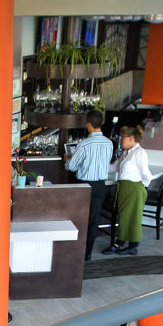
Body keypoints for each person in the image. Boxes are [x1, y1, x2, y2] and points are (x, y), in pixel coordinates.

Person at [64, 110, 113, 261]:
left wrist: (67, 158)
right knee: (94, 218)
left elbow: (71, 167)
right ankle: (87, 254)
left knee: (80, 218)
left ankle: (77, 251)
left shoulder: (84, 144)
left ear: (89, 125)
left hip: (85, 185)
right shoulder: (109, 143)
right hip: (100, 185)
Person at [102, 126, 152, 256]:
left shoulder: (139, 153)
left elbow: (147, 175)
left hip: (134, 188)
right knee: (124, 217)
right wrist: (98, 167)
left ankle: (132, 246)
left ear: (131, 138)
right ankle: (121, 242)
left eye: (122, 137)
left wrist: (142, 188)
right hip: (124, 188)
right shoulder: (126, 152)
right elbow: (114, 167)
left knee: (133, 217)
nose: (120, 140)